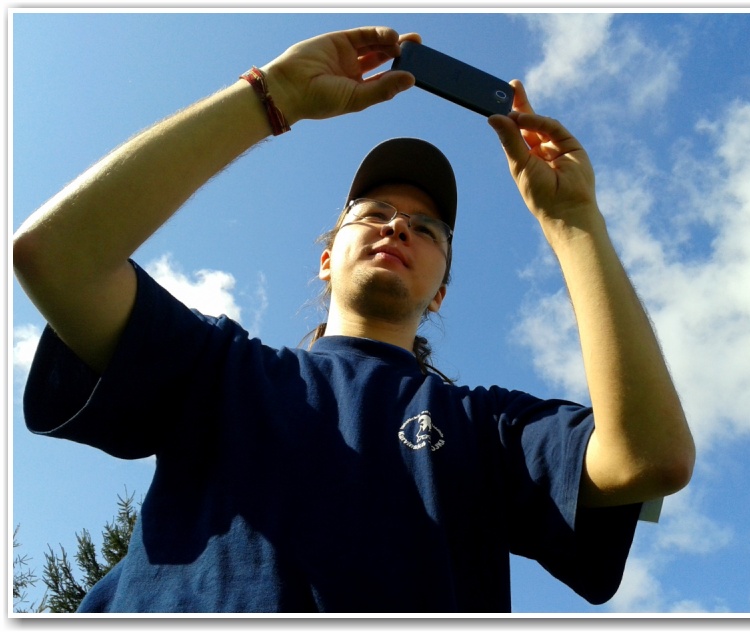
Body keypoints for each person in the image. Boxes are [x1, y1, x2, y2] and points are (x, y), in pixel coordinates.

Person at [13, 26, 695, 613]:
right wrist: (271, 94)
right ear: (326, 259)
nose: (399, 224)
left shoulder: (487, 428)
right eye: (372, 214)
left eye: (427, 229)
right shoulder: (221, 369)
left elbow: (651, 458)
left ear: (440, 295)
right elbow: (57, 257)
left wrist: (574, 223)